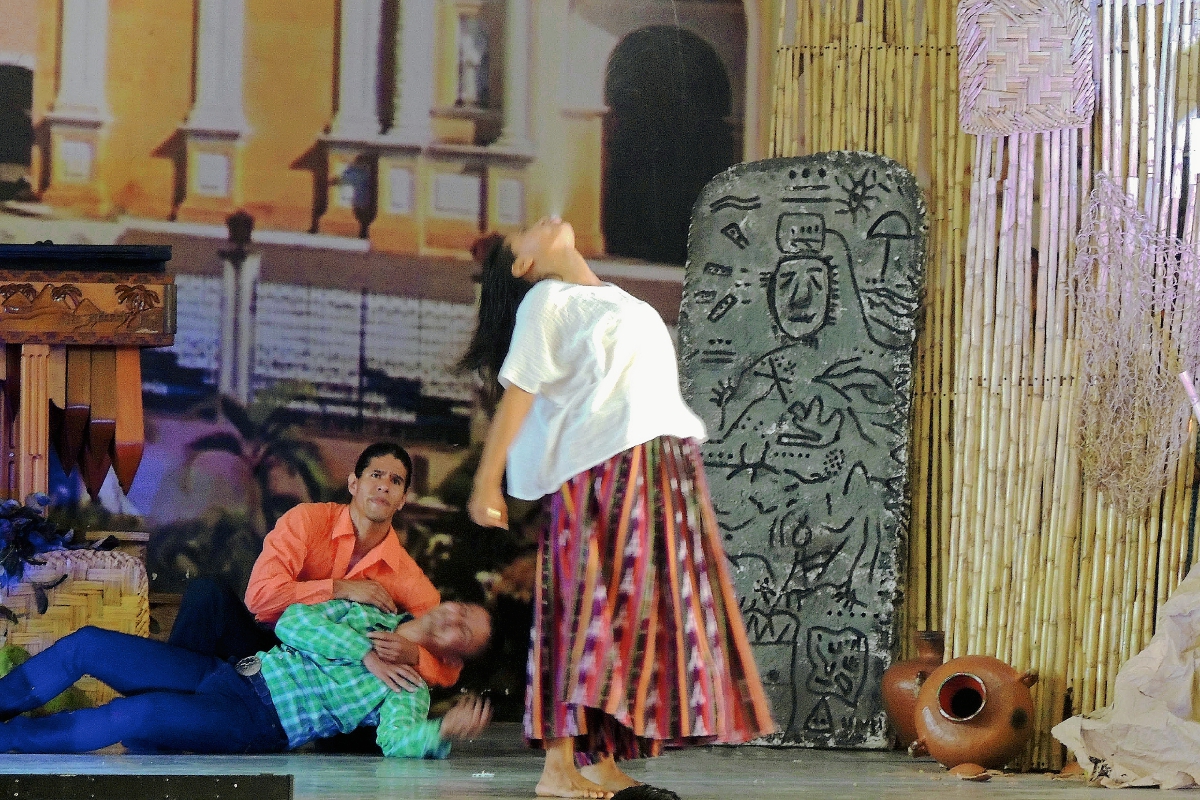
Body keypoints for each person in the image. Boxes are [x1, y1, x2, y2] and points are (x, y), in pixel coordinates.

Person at [461, 218, 776, 799]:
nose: (542, 220)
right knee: (583, 612)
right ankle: (557, 767)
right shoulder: (548, 301)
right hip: (602, 475)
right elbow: (519, 393)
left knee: (633, 618)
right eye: (524, 233)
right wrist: (487, 482)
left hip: (656, 465)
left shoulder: (611, 299)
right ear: (523, 266)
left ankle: (600, 756)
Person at [0, 599, 492, 756]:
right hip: (225, 675)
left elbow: (397, 739)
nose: (457, 620)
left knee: (135, 713)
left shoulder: (409, 687)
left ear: (455, 657)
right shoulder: (367, 612)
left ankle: (6, 740)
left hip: (254, 721)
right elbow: (292, 621)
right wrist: (363, 650)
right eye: (465, 610)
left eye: (466, 633)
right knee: (89, 642)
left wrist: (440, 733)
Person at [169, 441, 460, 688]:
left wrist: (414, 654)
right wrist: (341, 588)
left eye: (395, 481)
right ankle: (169, 702)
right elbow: (260, 598)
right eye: (376, 475)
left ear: (402, 500)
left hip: (329, 676)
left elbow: (449, 666)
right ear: (353, 484)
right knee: (207, 594)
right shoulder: (308, 520)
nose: (384, 486)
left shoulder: (407, 575)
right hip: (268, 645)